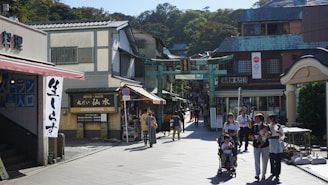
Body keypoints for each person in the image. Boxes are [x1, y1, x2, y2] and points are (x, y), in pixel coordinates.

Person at [251, 113, 271, 181]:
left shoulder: (266, 126)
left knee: (265, 161)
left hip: (265, 145)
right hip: (256, 145)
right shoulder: (254, 126)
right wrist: (254, 138)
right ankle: (257, 174)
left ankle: (263, 174)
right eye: (255, 118)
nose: (256, 120)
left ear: (261, 119)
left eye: (257, 118)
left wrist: (263, 137)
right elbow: (251, 135)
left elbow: (270, 134)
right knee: (257, 160)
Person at [268, 114, 284, 182]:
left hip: (277, 142)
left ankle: (277, 174)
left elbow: (282, 135)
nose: (272, 120)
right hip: (270, 142)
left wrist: (279, 133)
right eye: (271, 119)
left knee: (277, 160)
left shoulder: (279, 126)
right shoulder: (268, 126)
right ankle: (273, 171)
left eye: (273, 119)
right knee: (271, 158)